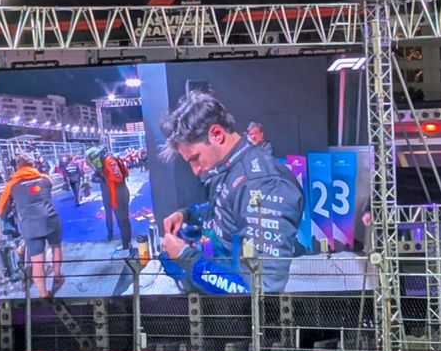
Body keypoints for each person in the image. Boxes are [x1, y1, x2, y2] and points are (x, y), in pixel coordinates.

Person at [158, 90, 304, 294]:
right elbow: (227, 208)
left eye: (195, 158)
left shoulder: (265, 185)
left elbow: (260, 293)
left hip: (236, 319)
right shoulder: (228, 166)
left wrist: (186, 257)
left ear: (216, 134)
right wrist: (187, 214)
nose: (196, 170)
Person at [0, 153, 64, 298]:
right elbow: (47, 188)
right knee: (56, 247)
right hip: (51, 219)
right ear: (33, 164)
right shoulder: (45, 178)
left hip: (31, 226)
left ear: (17, 167)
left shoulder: (12, 185)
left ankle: (44, 294)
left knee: (37, 261)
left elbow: (1, 210)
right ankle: (57, 276)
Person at [86, 146, 132, 256]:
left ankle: (126, 248)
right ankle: (127, 244)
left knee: (122, 221)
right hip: (120, 192)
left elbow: (118, 177)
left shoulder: (108, 161)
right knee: (124, 221)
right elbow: (125, 173)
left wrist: (105, 176)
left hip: (118, 193)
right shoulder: (111, 158)